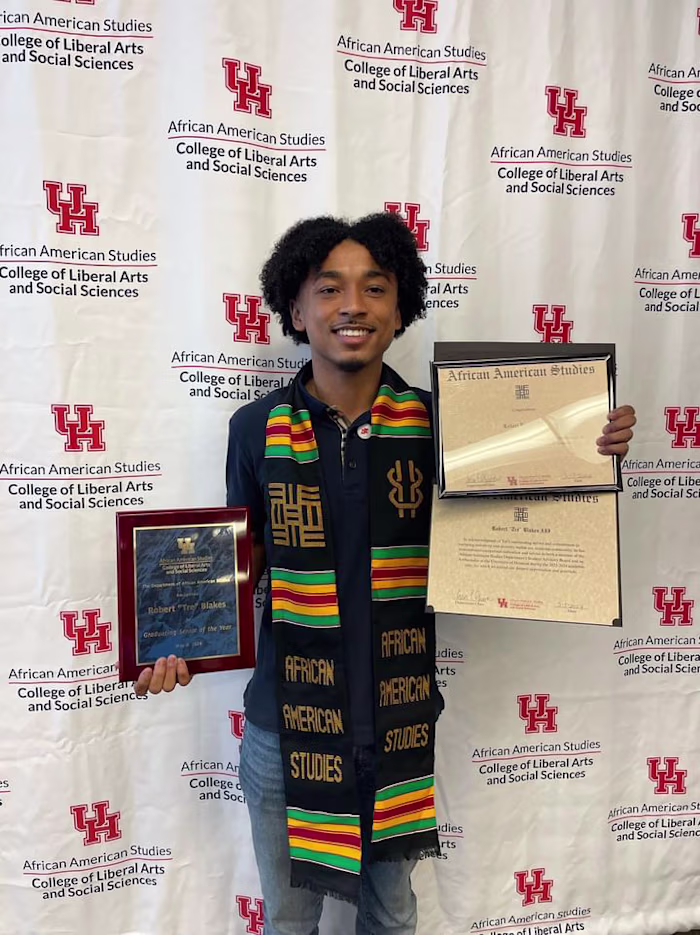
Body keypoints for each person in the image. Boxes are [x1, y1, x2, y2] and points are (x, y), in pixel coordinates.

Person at [135, 212, 636, 935]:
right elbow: (235, 567)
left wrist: (590, 448)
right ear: (295, 308)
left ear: (401, 310)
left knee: (394, 917)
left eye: (375, 288)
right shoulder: (254, 428)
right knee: (288, 922)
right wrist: (182, 637)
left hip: (396, 720)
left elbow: (529, 486)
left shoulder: (442, 426)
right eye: (329, 287)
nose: (352, 305)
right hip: (285, 726)